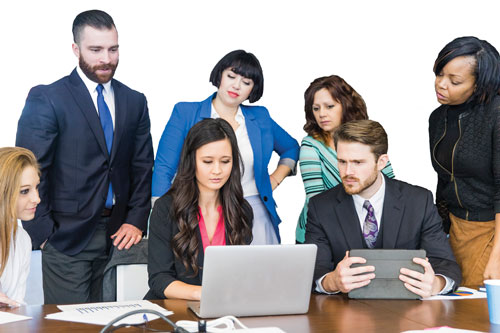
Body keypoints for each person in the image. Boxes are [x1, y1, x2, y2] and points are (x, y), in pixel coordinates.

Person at [16, 10, 154, 304]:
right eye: (96, 50)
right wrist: (43, 234)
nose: (106, 58)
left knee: (114, 323)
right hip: (66, 239)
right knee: (70, 327)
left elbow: (142, 166)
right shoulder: (49, 98)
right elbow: (31, 169)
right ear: (76, 49)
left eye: (113, 49)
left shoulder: (134, 100)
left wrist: (137, 219)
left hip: (119, 238)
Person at [152, 50, 299, 244]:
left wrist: (274, 179)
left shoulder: (260, 118)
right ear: (219, 75)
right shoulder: (186, 113)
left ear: (252, 90)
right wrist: (159, 216)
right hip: (198, 211)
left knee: (260, 273)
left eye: (246, 82)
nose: (236, 86)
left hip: (253, 211)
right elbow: (164, 167)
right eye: (231, 76)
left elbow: (291, 147)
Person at [305, 120, 461, 297]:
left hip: (406, 314)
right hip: (345, 315)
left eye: (358, 162)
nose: (347, 171)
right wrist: (332, 281)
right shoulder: (321, 207)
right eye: (342, 161)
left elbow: (446, 265)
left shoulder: (418, 201)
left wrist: (435, 284)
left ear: (382, 162)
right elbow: (313, 270)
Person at [146, 119, 253, 300]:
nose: (217, 170)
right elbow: (159, 279)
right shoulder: (165, 208)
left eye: (225, 161)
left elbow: (239, 275)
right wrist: (203, 294)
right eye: (208, 161)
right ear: (191, 161)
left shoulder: (242, 210)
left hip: (222, 311)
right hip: (173, 312)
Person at [429, 36, 500, 286]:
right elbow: (444, 182)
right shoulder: (438, 118)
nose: (441, 84)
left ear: (479, 84)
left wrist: (497, 256)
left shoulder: (496, 115)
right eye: (440, 74)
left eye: (454, 80)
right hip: (456, 230)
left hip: (493, 231)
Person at [296, 75, 394, 243]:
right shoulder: (310, 145)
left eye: (329, 106)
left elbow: (389, 183)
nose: (322, 114)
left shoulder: (368, 136)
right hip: (321, 230)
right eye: (316, 108)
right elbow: (316, 201)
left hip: (365, 225)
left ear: (346, 105)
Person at [0, 147, 40, 307]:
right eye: (25, 191)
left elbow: (15, 305)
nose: (37, 199)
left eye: (36, 187)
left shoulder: (22, 239)